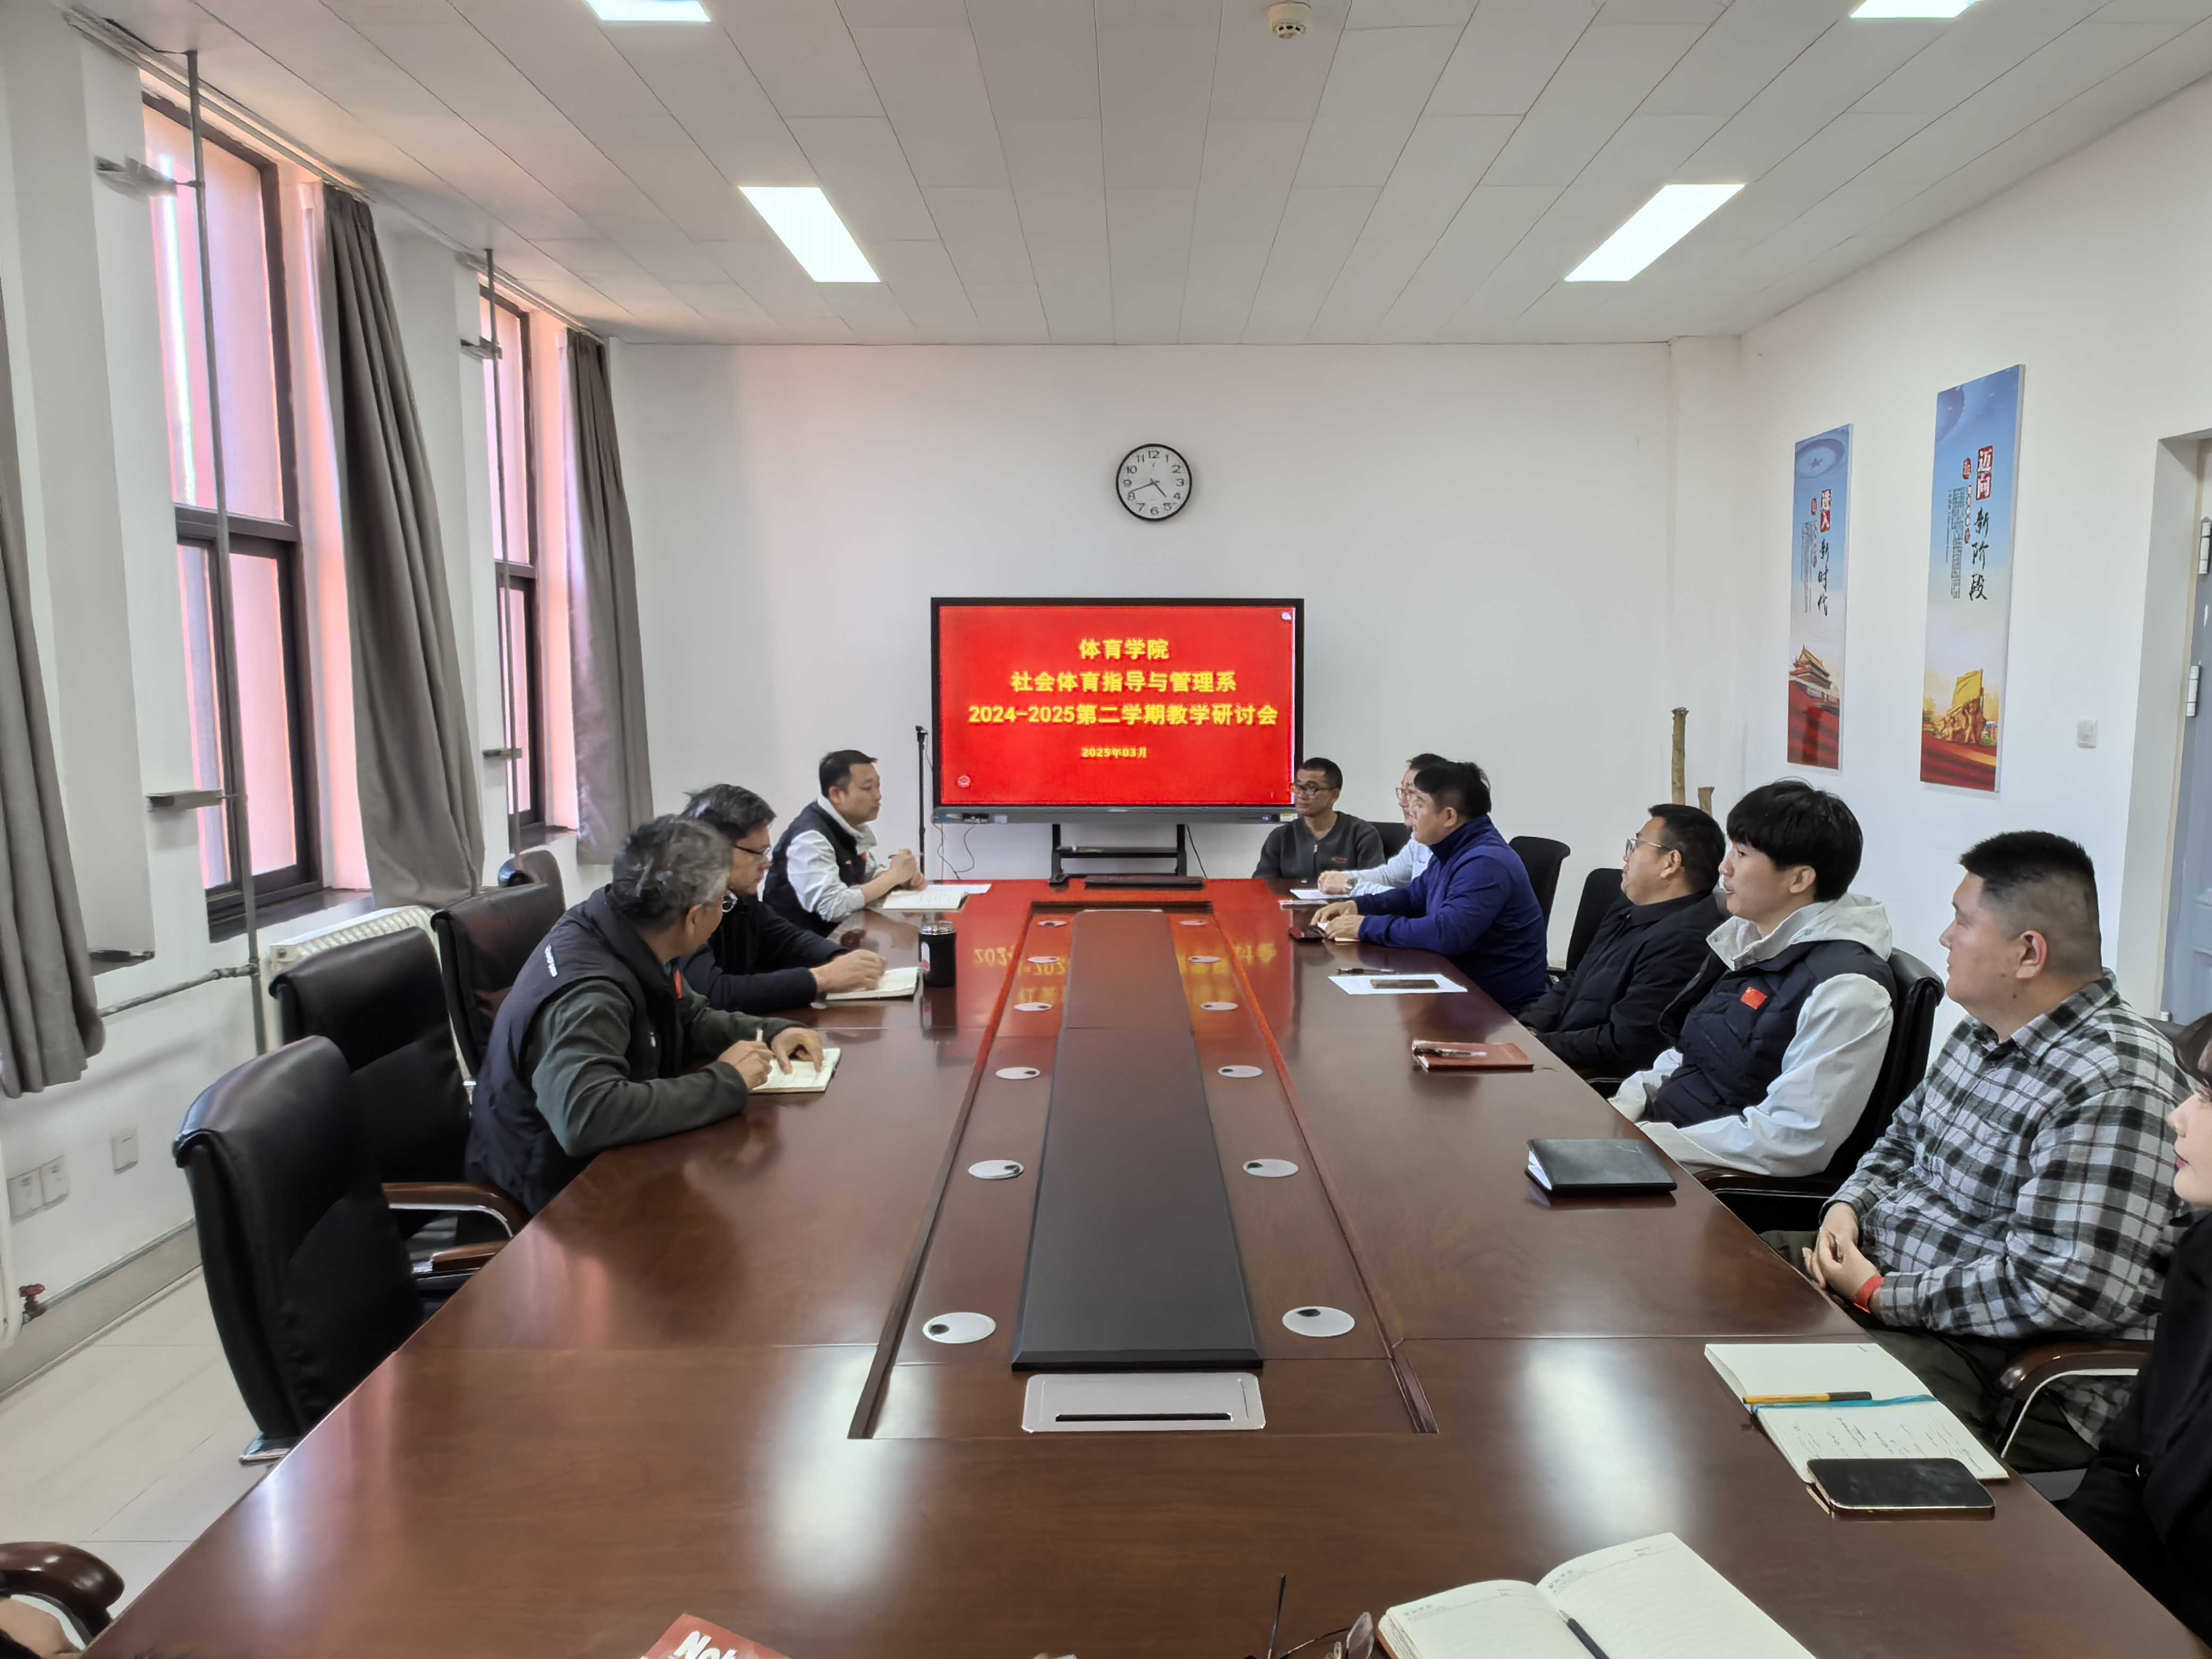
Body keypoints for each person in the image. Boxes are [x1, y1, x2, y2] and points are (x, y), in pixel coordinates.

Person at [1783, 831, 2194, 1471]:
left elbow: (2058, 1291)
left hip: (1995, 1361)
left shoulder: (2112, 1084)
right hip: (1883, 1281)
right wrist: (1846, 1209)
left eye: (1961, 921)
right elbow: (1901, 1139)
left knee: (1785, 1421)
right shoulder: (1984, 1030)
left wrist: (1877, 1295)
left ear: (2027, 953)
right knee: (1713, 1295)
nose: (1944, 937)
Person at [466, 816, 825, 1213]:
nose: (725, 910)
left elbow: (690, 1017)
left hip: (607, 1168)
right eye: (724, 900)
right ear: (694, 917)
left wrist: (771, 1032)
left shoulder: (620, 929)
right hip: (555, 1205)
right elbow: (585, 1116)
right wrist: (727, 1081)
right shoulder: (592, 994)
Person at [1610, 780, 1893, 1175]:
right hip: (1662, 1144)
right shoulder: (1749, 939)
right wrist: (1623, 1109)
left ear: (1800, 880)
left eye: (1742, 854)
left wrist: (1647, 1142)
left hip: (1708, 1180)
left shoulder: (1848, 989)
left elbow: (1792, 1139)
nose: (1724, 868)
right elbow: (1690, 1052)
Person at [2064, 1012, 2212, 1641]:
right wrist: (2050, 1578)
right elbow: (2130, 1461)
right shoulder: (2203, 1251)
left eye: (2205, 1097)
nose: (2177, 1116)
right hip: (2138, 1604)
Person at [1309, 759, 1549, 1011]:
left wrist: (1367, 926)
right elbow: (1414, 897)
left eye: (1419, 803)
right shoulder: (1452, 850)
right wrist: (1357, 906)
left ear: (1449, 816)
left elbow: (1448, 934)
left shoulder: (1485, 863)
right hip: (1457, 985)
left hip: (1496, 1008)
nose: (1409, 810)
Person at [1519, 802, 1724, 1078]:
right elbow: (1576, 978)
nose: (1626, 857)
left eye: (1636, 846)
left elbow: (1625, 1044)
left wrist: (1537, 1046)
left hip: (1588, 1077)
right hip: (1558, 1053)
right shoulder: (1628, 906)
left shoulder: (1684, 941)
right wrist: (1528, 1027)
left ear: (1671, 863)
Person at [678, 783, 888, 1012]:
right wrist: (821, 979)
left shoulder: (739, 897)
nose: (766, 864)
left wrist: (840, 958)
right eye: (758, 854)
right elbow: (714, 993)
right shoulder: (680, 906)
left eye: (766, 853)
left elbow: (786, 940)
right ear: (714, 850)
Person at [761, 750, 926, 936]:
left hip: (837, 937)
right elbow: (832, 906)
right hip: (797, 946)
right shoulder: (810, 839)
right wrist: (893, 877)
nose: (878, 796)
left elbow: (864, 874)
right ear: (836, 794)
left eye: (878, 786)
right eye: (868, 788)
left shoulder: (846, 825)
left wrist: (901, 879)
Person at [1318, 753, 1444, 896]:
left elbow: (1417, 900)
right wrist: (1341, 878)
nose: (1403, 803)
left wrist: (1350, 885)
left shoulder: (1454, 850)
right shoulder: (1418, 839)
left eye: (1411, 793)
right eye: (1403, 792)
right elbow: (1389, 876)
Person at [1253, 757, 1385, 883]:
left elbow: (1374, 884)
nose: (1301, 795)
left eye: (1312, 788)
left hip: (1344, 900)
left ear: (1334, 795)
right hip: (1290, 899)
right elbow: (1262, 886)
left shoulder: (1361, 835)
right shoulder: (1281, 836)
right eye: (1298, 787)